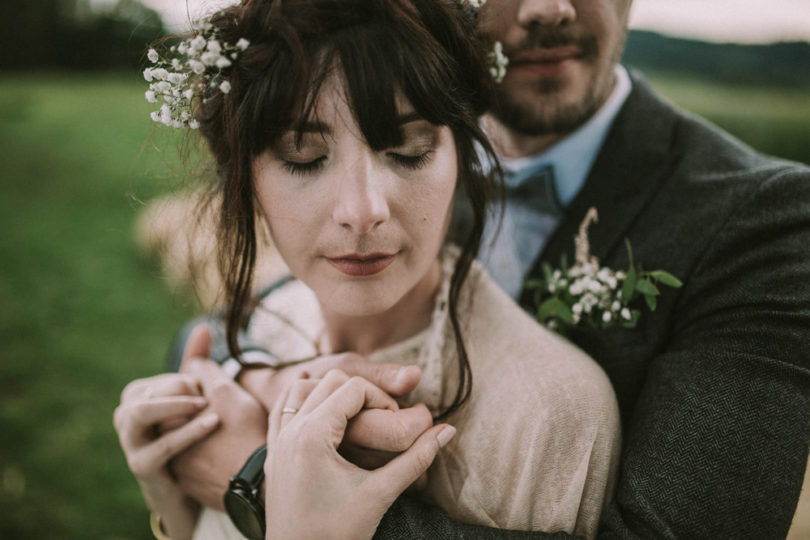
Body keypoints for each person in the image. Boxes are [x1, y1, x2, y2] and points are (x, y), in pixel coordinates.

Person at [156, 0, 810, 537]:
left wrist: (269, 482)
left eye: (408, 149)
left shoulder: (762, 217)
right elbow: (245, 321)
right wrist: (252, 383)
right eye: (304, 156)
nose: (547, 9)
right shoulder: (410, 128)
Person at [114, 0, 622, 538]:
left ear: (461, 156)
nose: (362, 212)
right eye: (303, 156)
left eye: (408, 150)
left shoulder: (550, 419)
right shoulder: (262, 326)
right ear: (246, 179)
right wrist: (169, 501)